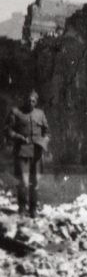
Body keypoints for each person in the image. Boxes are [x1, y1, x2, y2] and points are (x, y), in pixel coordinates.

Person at [4, 90, 50, 218]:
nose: (31, 103)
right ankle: (22, 208)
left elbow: (47, 132)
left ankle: (33, 209)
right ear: (24, 100)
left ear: (36, 102)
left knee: (35, 183)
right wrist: (18, 137)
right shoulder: (16, 112)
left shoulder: (40, 114)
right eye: (28, 100)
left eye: (33, 101)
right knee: (23, 183)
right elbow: (8, 131)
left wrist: (43, 143)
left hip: (37, 153)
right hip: (22, 152)